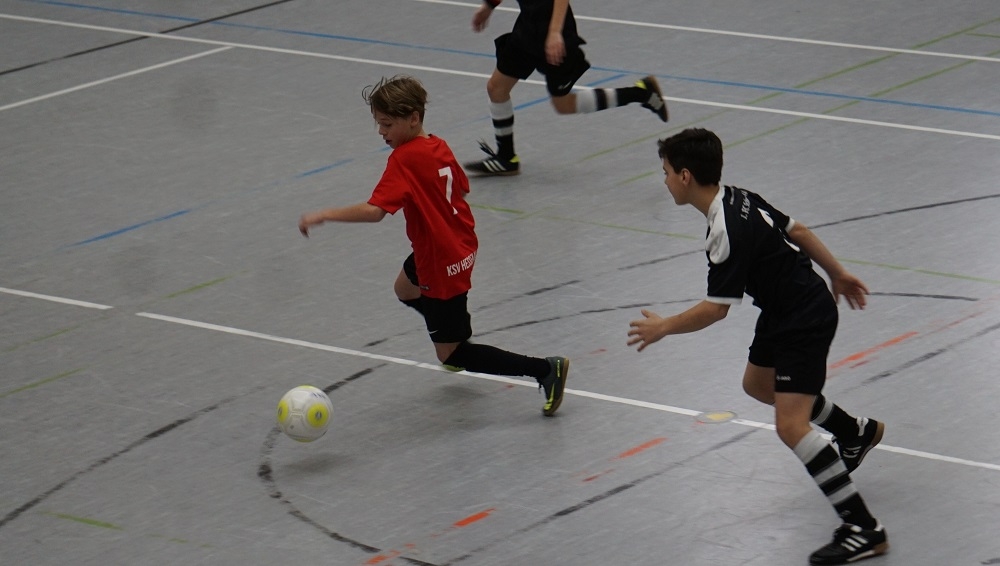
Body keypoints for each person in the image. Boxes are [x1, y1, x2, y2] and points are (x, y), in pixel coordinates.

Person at [626, 128, 889, 565]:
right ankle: (852, 431)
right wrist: (836, 272)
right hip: (785, 308)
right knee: (758, 384)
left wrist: (665, 326)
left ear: (686, 176)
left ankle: (864, 528)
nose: (665, 180)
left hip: (802, 316)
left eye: (667, 172)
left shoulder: (723, 230)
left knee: (791, 426)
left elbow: (717, 309)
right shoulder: (738, 196)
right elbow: (797, 229)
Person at [298, 75, 568, 416]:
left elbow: (375, 211)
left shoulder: (403, 159)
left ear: (413, 118)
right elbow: (463, 189)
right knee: (404, 288)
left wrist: (325, 214)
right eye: (379, 124)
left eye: (387, 124)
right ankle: (453, 330)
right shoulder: (437, 145)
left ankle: (544, 369)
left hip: (440, 261)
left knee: (452, 355)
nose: (381, 132)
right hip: (458, 242)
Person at [465, 0, 669, 176]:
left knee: (563, 104)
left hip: (556, 32)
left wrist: (555, 33)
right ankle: (506, 158)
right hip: (527, 29)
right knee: (496, 88)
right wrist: (489, 6)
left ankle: (642, 93)